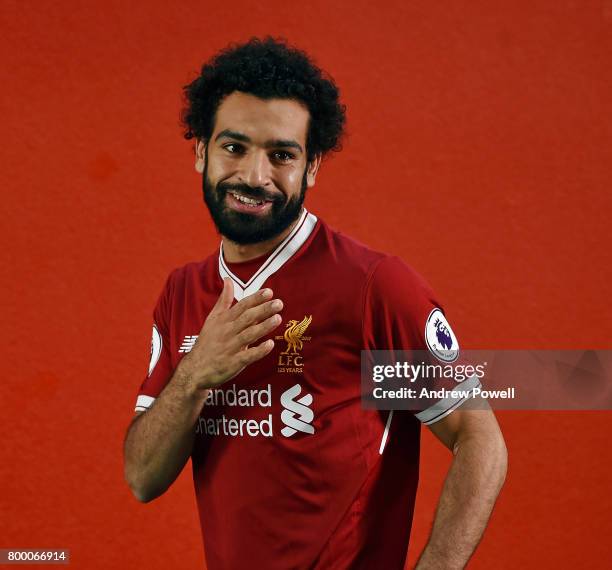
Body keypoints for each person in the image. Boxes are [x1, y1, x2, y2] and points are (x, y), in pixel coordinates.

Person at [123, 36, 507, 570]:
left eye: (281, 155)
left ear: (312, 166)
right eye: (234, 147)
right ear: (200, 151)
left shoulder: (372, 287)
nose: (255, 177)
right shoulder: (183, 292)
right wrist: (195, 375)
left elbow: (478, 436)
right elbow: (142, 478)